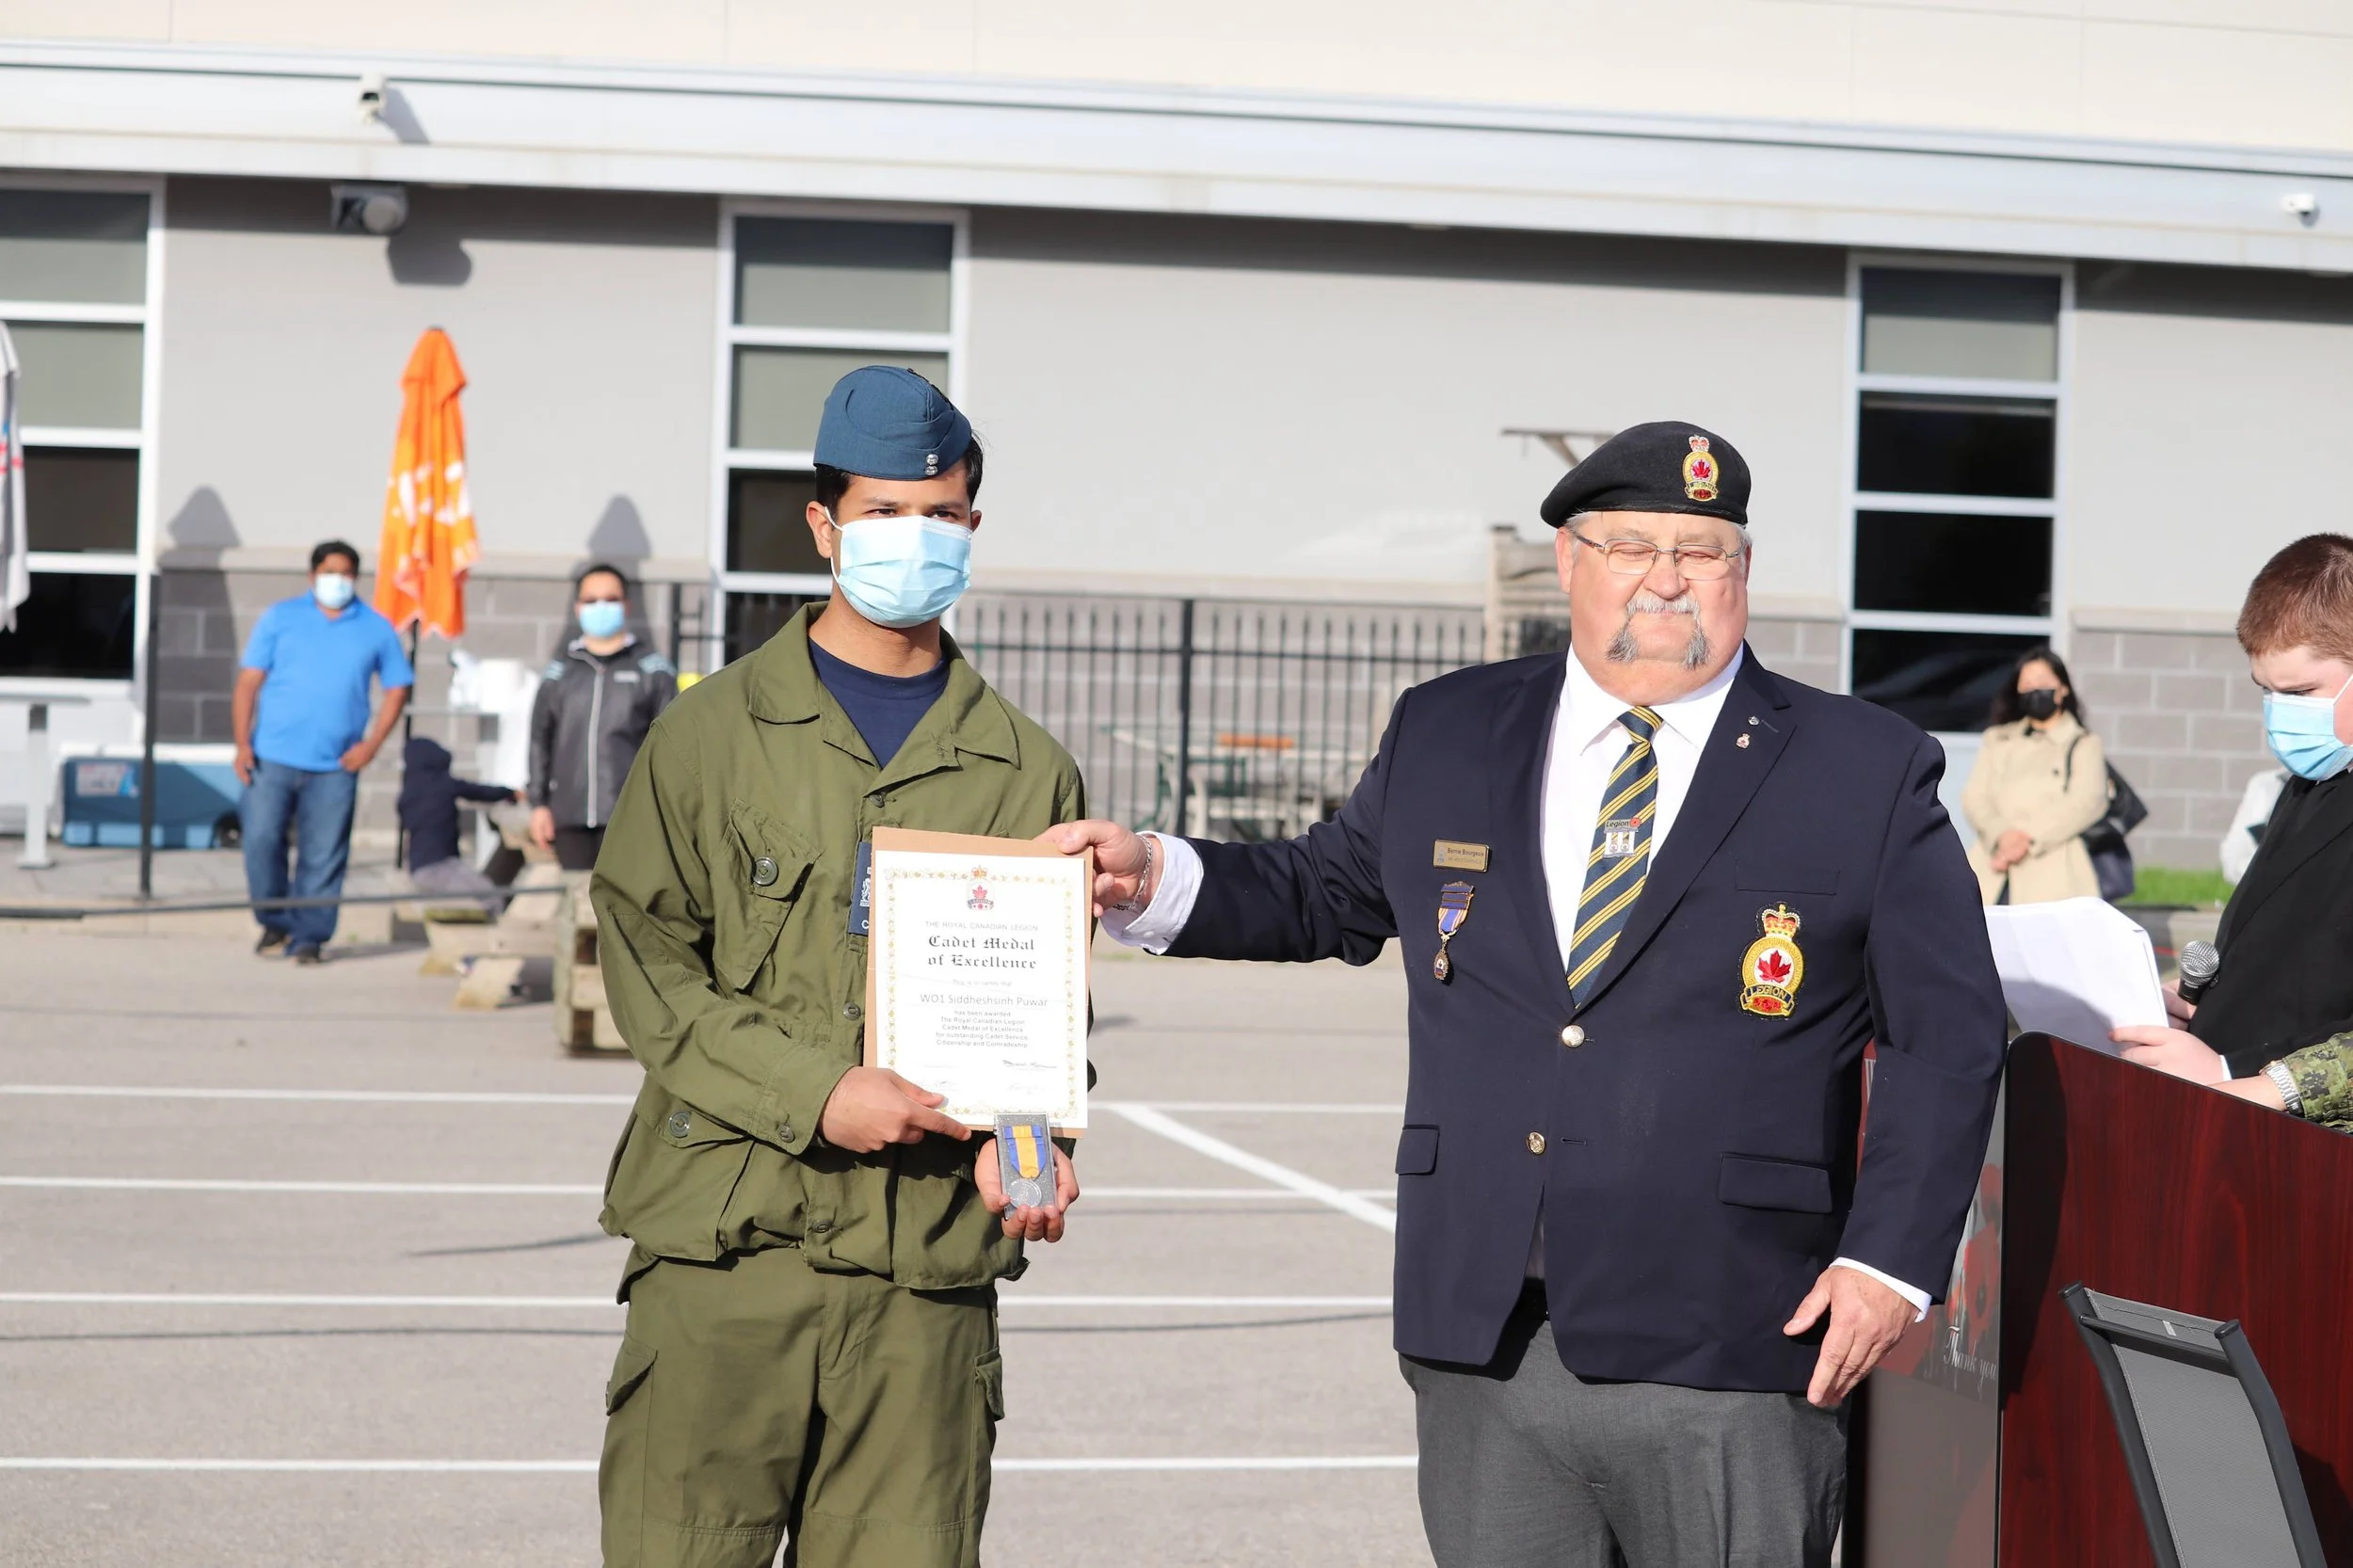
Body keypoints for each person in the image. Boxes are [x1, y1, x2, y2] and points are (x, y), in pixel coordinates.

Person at [1047, 422, 2006, 1568]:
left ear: (1742, 569)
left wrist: (1888, 1264)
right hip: (1486, 1339)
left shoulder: (1862, 766)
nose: (1666, 577)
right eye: (1631, 546)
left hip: (1733, 1340)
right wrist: (1152, 875)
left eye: (1702, 551)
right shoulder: (1449, 729)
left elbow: (1946, 1034)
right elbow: (1323, 890)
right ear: (1568, 561)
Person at [590, 366, 1084, 1568]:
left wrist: (1030, 1145)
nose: (915, 536)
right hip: (727, 1259)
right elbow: (650, 967)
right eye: (884, 511)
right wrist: (816, 1091)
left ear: (972, 525)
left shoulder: (1026, 769)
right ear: (823, 526)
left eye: (941, 513)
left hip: (924, 1281)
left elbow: (1036, 1015)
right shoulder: (706, 737)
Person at [2114, 534, 2353, 1132]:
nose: (2280, 713)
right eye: (2265, 692)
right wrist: (2201, 1004)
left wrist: (2240, 1077)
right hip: (2240, 1136)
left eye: (2300, 693)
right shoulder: (2311, 783)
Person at [232, 538, 413, 964]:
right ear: (312, 575)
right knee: (261, 840)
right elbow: (248, 682)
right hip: (271, 756)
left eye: (346, 573)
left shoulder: (375, 627)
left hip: (335, 764)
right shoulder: (281, 617)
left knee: (324, 852)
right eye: (330, 572)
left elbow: (397, 688)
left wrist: (372, 745)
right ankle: (274, 921)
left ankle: (309, 936)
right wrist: (242, 744)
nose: (338, 580)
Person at [527, 564, 678, 872]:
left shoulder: (653, 670)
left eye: (611, 599)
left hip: (631, 814)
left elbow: (671, 746)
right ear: (578, 607)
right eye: (591, 600)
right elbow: (540, 740)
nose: (601, 607)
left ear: (626, 605)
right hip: (569, 814)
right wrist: (538, 803)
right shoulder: (559, 672)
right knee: (577, 897)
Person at [1961, 647, 2109, 904]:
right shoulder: (1998, 740)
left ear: (2062, 689)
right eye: (2027, 684)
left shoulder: (2083, 743)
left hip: (2054, 870)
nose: (2035, 690)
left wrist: (2025, 840)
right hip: (1992, 865)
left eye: (2043, 682)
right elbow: (1975, 796)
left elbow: (2087, 801)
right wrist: (2002, 836)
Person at [395, 736, 520, 903]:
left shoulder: (407, 796)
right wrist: (510, 793)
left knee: (485, 890)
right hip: (442, 867)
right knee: (491, 898)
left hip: (419, 868)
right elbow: (480, 792)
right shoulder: (442, 785)